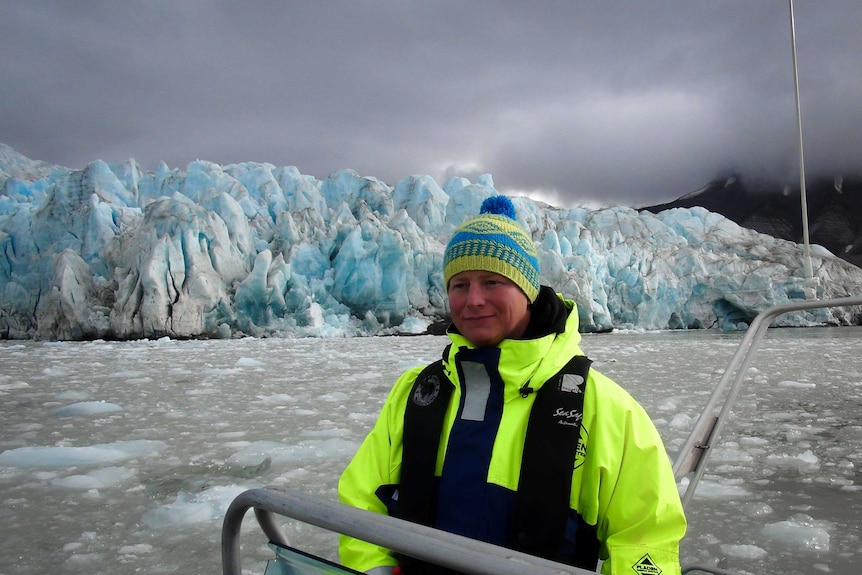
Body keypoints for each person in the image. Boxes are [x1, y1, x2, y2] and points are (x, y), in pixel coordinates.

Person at [338, 195, 686, 575]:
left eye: (492, 281)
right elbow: (362, 502)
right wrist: (375, 569)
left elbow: (644, 539)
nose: (473, 300)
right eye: (459, 284)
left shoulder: (604, 408)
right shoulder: (417, 394)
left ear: (527, 289)